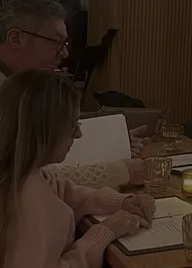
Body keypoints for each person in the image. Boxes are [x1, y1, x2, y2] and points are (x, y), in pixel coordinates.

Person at [0, 70, 155, 268]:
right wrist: (101, 234)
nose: (79, 134)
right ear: (46, 130)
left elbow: (60, 189)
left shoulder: (22, 172)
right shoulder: (28, 208)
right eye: (72, 126)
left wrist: (121, 201)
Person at [0, 0, 146, 189]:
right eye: (57, 42)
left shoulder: (19, 88)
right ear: (16, 38)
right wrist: (119, 171)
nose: (64, 53)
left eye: (65, 44)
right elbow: (19, 179)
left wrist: (112, 141)